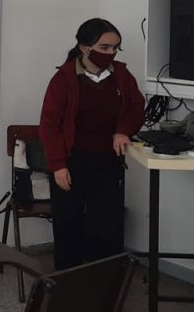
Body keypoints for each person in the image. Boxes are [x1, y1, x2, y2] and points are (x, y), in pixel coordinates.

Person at [39, 18, 145, 270]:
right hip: (71, 162)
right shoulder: (64, 78)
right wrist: (58, 165)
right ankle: (68, 282)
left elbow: (136, 107)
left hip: (107, 163)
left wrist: (122, 131)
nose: (111, 53)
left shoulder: (121, 75)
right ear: (84, 48)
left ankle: (106, 283)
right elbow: (50, 126)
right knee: (68, 226)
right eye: (104, 47)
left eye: (115, 48)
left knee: (106, 228)